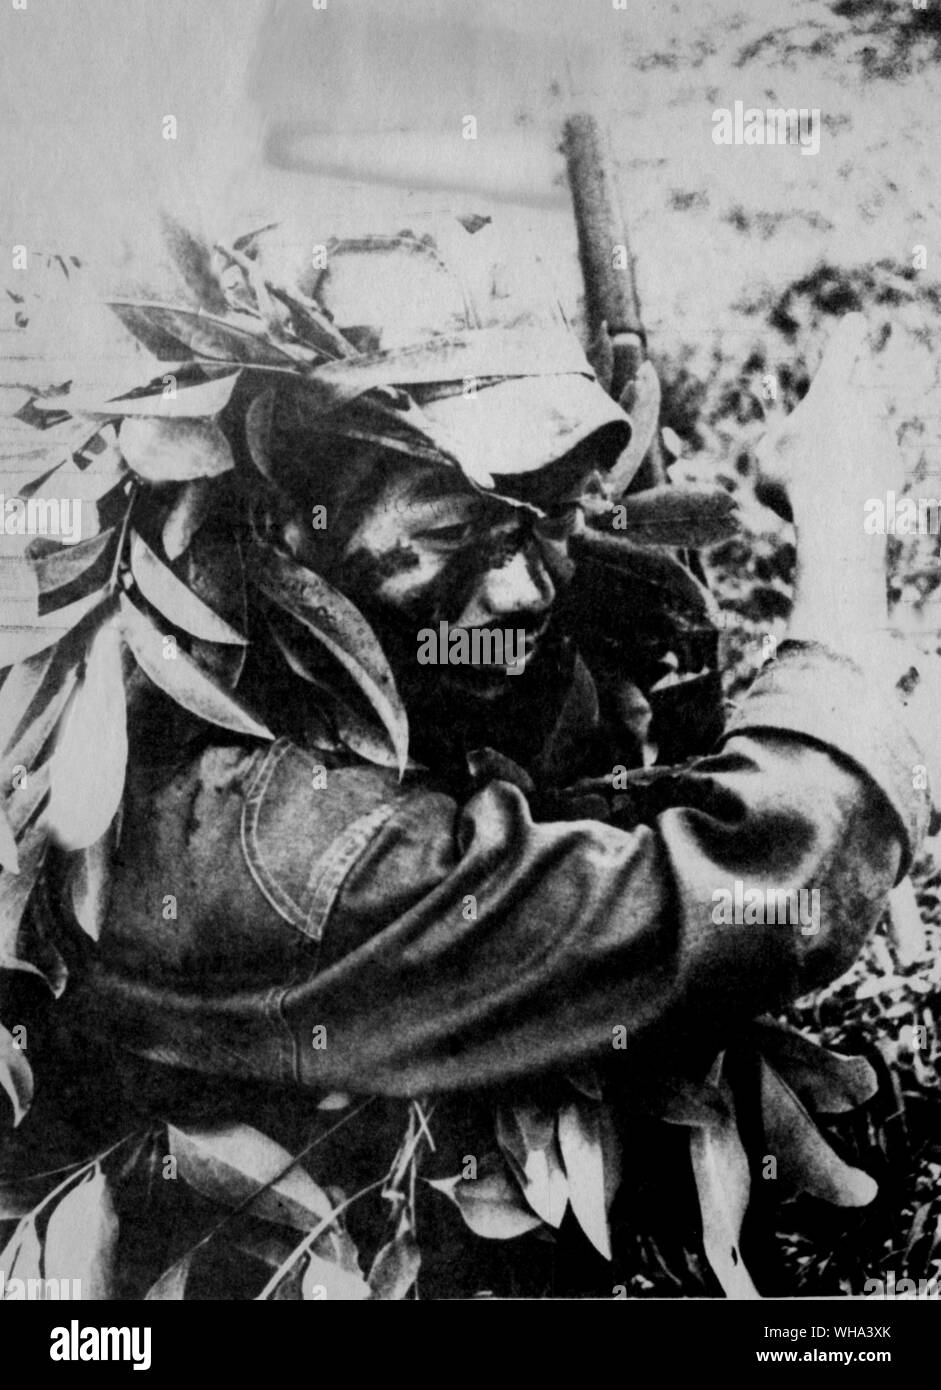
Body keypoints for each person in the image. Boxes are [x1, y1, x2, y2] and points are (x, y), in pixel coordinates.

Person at [7, 213, 938, 1297]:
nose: (523, 589)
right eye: (454, 535)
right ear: (282, 519)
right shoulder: (253, 842)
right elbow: (753, 887)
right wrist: (841, 567)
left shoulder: (309, 628)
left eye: (541, 516)